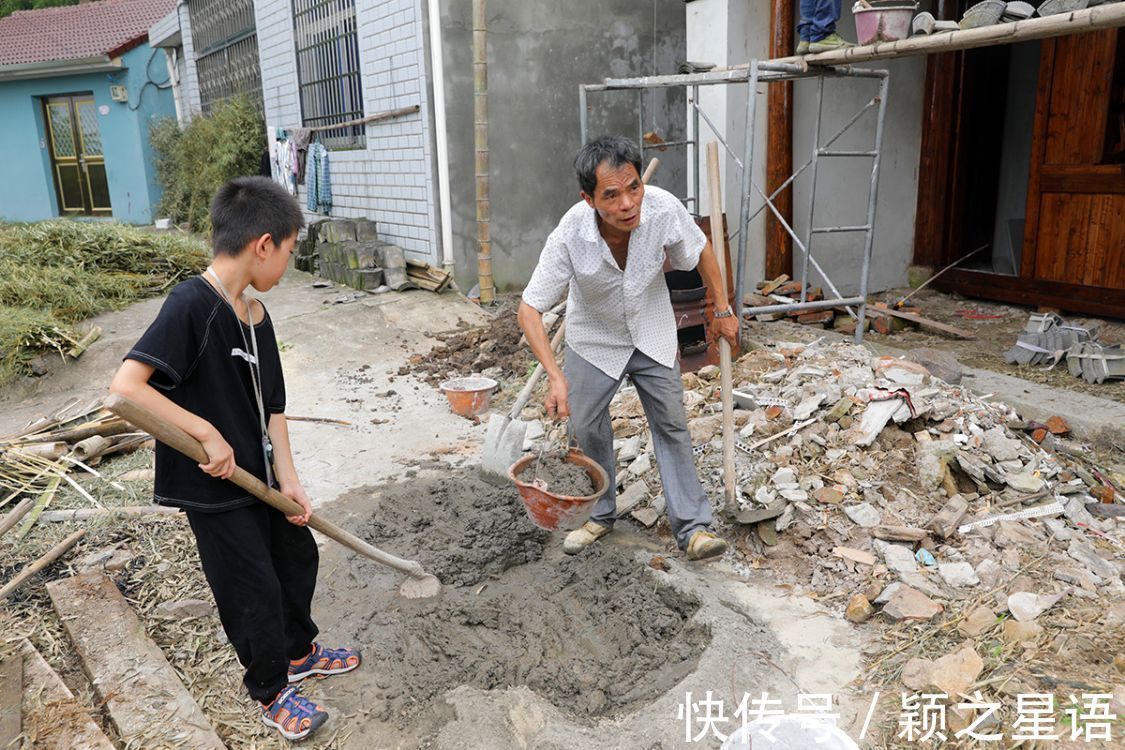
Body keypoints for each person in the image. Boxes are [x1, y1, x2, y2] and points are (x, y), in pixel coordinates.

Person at [109, 177, 360, 742]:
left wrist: (290, 481)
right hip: (215, 487)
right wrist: (206, 432)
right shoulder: (191, 305)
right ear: (263, 244)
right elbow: (125, 388)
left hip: (263, 478)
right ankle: (271, 689)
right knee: (251, 589)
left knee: (297, 559)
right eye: (292, 252)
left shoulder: (256, 315)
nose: (288, 266)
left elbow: (274, 407)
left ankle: (299, 653)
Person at [517, 135, 736, 562]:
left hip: (652, 330)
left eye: (633, 187)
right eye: (612, 195)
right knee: (587, 426)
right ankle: (599, 515)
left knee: (672, 425)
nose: (628, 204)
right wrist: (555, 376)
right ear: (589, 199)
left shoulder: (662, 208)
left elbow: (701, 249)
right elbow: (529, 309)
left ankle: (693, 529)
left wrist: (723, 308)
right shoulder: (570, 235)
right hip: (594, 338)